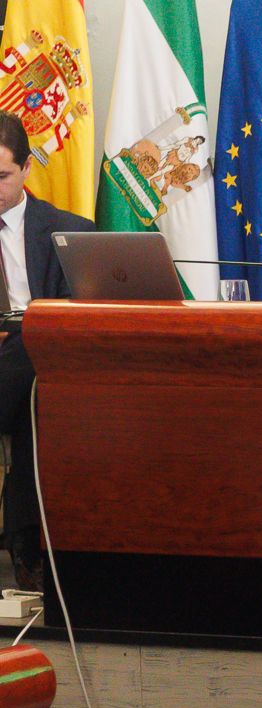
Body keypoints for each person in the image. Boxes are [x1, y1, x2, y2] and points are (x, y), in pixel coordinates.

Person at [0, 110, 94, 590]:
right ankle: (26, 543)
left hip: (38, 359)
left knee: (36, 352)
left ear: (27, 168)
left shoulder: (70, 232)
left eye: (1, 176)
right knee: (34, 385)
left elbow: (80, 323)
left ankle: (23, 538)